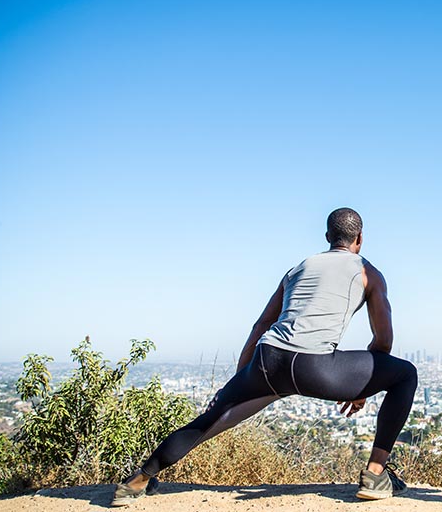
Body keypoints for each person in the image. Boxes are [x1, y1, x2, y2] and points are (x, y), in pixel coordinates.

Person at [112, 207, 418, 506]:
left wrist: (241, 379)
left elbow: (261, 325)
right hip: (317, 367)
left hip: (267, 361)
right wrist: (362, 387)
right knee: (406, 374)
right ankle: (376, 474)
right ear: (360, 239)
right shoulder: (369, 273)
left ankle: (138, 480)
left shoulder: (297, 269)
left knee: (208, 421)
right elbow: (384, 341)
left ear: (327, 236)